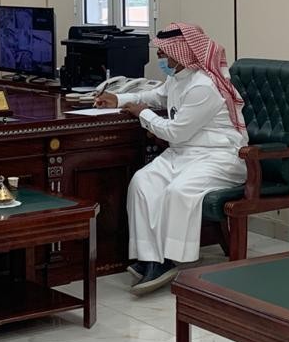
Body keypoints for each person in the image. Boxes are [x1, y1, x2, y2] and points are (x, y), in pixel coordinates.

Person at [96, 23, 248, 294]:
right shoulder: (179, 77)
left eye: (165, 52)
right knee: (142, 182)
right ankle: (149, 258)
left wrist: (143, 114)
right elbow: (156, 96)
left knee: (178, 191)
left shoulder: (204, 86)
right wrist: (118, 99)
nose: (160, 56)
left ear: (182, 51)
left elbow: (175, 132)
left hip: (218, 157)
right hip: (184, 153)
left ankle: (170, 258)